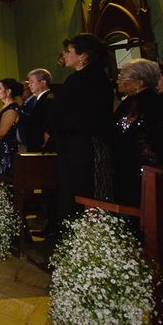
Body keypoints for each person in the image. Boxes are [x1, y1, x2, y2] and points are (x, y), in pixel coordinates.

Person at [50, 33, 114, 222]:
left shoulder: (81, 79)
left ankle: (80, 239)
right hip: (83, 145)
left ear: (83, 55)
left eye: (69, 51)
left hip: (81, 147)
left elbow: (60, 112)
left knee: (81, 193)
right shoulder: (96, 77)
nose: (65, 54)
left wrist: (56, 131)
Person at [111, 59, 163, 207]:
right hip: (154, 162)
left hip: (135, 164)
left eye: (122, 78)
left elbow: (120, 130)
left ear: (139, 82)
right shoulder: (156, 98)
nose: (118, 81)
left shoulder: (135, 102)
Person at [26, 68, 56, 152]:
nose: (29, 85)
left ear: (43, 82)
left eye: (32, 82)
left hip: (43, 148)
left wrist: (45, 144)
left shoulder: (48, 99)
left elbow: (50, 123)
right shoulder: (36, 100)